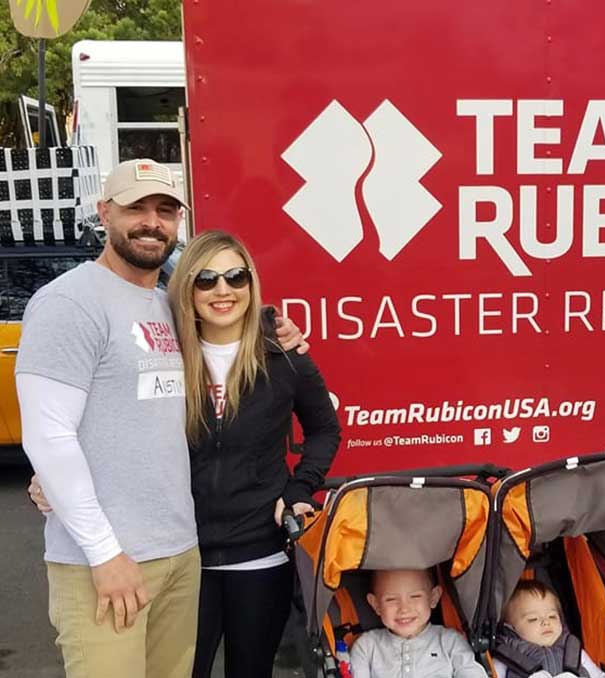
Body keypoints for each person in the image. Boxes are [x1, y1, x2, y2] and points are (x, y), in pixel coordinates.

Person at [16, 158, 306, 678]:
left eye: (166, 210)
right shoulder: (68, 302)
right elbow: (49, 436)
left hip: (181, 554)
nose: (152, 222)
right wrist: (104, 553)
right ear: (104, 213)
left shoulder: (166, 306)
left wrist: (278, 331)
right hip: (106, 562)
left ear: (178, 223)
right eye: (136, 208)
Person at [166, 230, 340, 678]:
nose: (222, 290)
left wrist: (301, 487)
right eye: (206, 279)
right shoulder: (163, 354)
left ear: (250, 284)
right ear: (188, 286)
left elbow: (324, 428)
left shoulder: (283, 356)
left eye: (235, 277)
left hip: (261, 554)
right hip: (182, 556)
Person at [349, 568, 489, 678]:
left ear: (433, 598)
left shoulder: (450, 641)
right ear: (376, 604)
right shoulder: (366, 647)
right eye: (391, 599)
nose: (404, 608)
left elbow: (471, 673)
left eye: (415, 597)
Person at [492, 581, 605, 678]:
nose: (546, 622)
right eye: (533, 619)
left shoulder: (573, 651)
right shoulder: (507, 656)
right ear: (510, 629)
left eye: (552, 616)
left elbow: (599, 676)